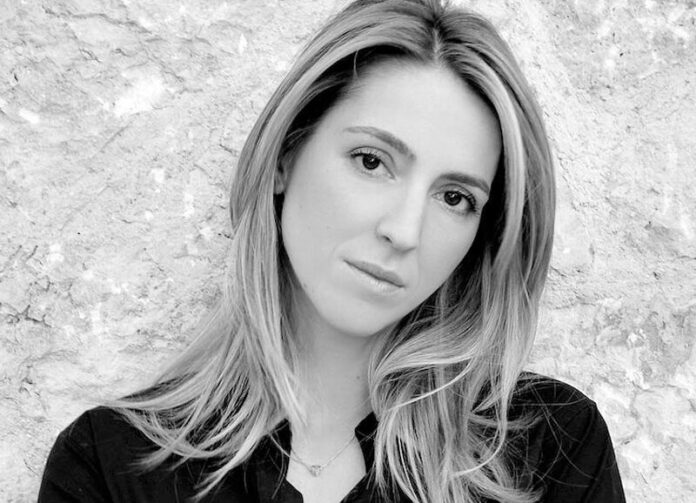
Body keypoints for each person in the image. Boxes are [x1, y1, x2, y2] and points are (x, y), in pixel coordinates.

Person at [39, 0, 626, 502]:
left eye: (454, 198)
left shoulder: (549, 452)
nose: (404, 230)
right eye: (372, 162)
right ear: (285, 155)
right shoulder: (111, 465)